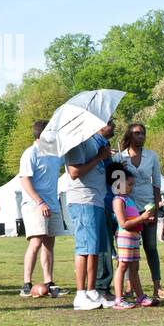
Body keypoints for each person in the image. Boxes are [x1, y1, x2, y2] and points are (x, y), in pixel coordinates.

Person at [66, 122, 115, 311]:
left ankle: (92, 291)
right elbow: (74, 172)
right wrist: (99, 157)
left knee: (95, 248)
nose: (111, 124)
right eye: (108, 121)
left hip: (96, 199)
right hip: (83, 199)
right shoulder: (76, 143)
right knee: (85, 248)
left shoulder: (91, 142)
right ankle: (80, 295)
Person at [115, 122, 164, 300]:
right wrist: (118, 167)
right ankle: (130, 287)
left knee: (150, 246)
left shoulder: (152, 156)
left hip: (148, 206)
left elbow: (157, 182)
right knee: (129, 249)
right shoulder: (120, 157)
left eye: (143, 133)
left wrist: (156, 208)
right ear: (129, 136)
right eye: (137, 133)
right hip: (128, 208)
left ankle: (157, 285)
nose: (141, 136)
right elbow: (115, 184)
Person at [19, 120, 66, 299]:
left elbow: (70, 159)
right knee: (36, 242)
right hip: (34, 205)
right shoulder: (30, 153)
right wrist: (40, 202)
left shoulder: (54, 153)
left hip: (52, 204)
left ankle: (49, 282)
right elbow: (25, 180)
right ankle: (26, 283)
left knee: (49, 244)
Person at [108, 162, 157, 308]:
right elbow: (123, 224)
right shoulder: (118, 200)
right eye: (129, 184)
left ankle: (140, 296)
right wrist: (142, 218)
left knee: (134, 268)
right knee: (122, 266)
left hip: (134, 237)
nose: (131, 187)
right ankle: (118, 298)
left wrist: (146, 220)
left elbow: (132, 220)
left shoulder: (128, 200)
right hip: (125, 237)